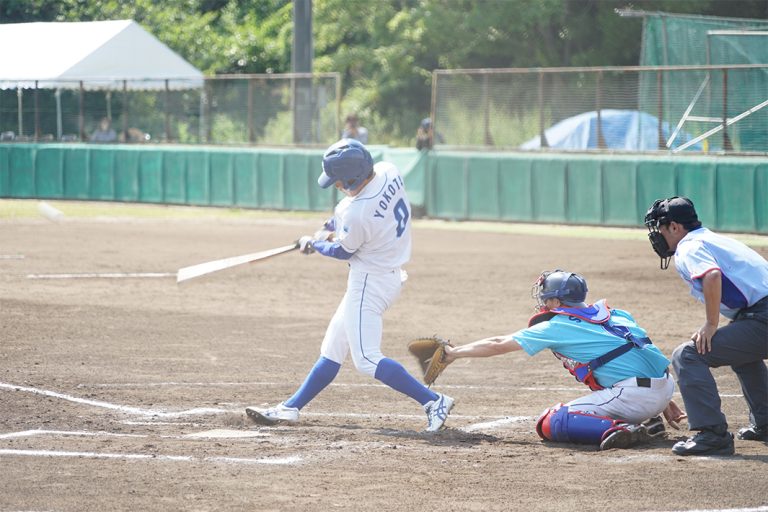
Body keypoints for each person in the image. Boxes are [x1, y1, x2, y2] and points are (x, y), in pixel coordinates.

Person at [245, 139, 453, 432]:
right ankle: (291, 408)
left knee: (367, 359)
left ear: (352, 179)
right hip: (385, 275)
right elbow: (347, 212)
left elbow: (343, 250)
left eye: (339, 182)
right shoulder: (387, 170)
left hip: (370, 282)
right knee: (332, 349)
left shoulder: (359, 213)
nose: (337, 186)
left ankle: (433, 401)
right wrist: (328, 228)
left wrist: (314, 244)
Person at [441, 270, 684, 450]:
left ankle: (623, 428)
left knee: (552, 422)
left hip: (636, 397)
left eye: (547, 299)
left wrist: (453, 352)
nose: (544, 304)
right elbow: (641, 349)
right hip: (663, 386)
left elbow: (497, 344)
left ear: (557, 302)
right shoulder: (616, 314)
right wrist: (663, 400)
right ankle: (647, 419)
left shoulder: (555, 326)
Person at [644, 196, 768, 456]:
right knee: (743, 354)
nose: (657, 236)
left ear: (675, 227)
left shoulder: (690, 246)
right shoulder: (712, 238)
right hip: (758, 315)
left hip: (763, 317)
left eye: (661, 228)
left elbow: (711, 275)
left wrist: (711, 324)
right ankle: (765, 423)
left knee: (687, 355)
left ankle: (712, 435)